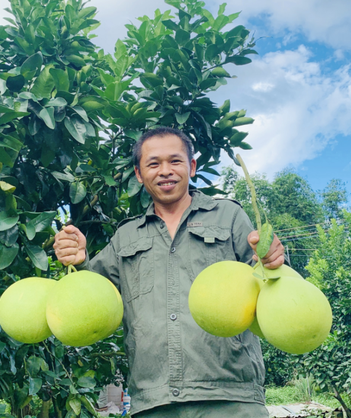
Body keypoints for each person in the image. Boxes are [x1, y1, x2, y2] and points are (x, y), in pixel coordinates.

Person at [53, 127, 284, 417]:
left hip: (230, 397)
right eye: (153, 163)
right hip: (154, 401)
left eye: (175, 161)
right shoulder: (125, 236)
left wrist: (271, 259)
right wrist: (80, 259)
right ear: (139, 173)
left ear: (192, 166)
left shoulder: (228, 217)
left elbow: (267, 282)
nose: (165, 171)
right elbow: (94, 297)